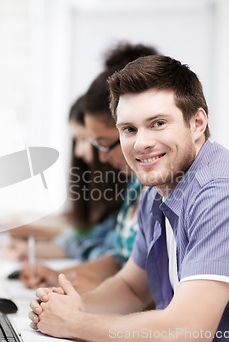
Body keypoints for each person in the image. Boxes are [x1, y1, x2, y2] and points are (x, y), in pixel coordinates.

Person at [28, 55, 229, 341]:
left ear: (197, 123)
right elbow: (131, 288)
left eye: (157, 123)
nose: (141, 143)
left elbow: (188, 331)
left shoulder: (225, 193)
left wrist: (76, 323)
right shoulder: (156, 192)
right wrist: (67, 308)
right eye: (129, 129)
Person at [19, 42, 158, 292]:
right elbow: (121, 264)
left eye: (97, 142)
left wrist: (75, 302)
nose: (91, 154)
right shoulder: (139, 184)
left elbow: (146, 291)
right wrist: (59, 278)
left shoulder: (174, 189)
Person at [5, 94, 127, 262]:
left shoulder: (129, 190)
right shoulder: (103, 188)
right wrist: (31, 248)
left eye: (84, 139)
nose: (79, 151)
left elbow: (109, 256)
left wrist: (33, 243)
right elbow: (81, 234)